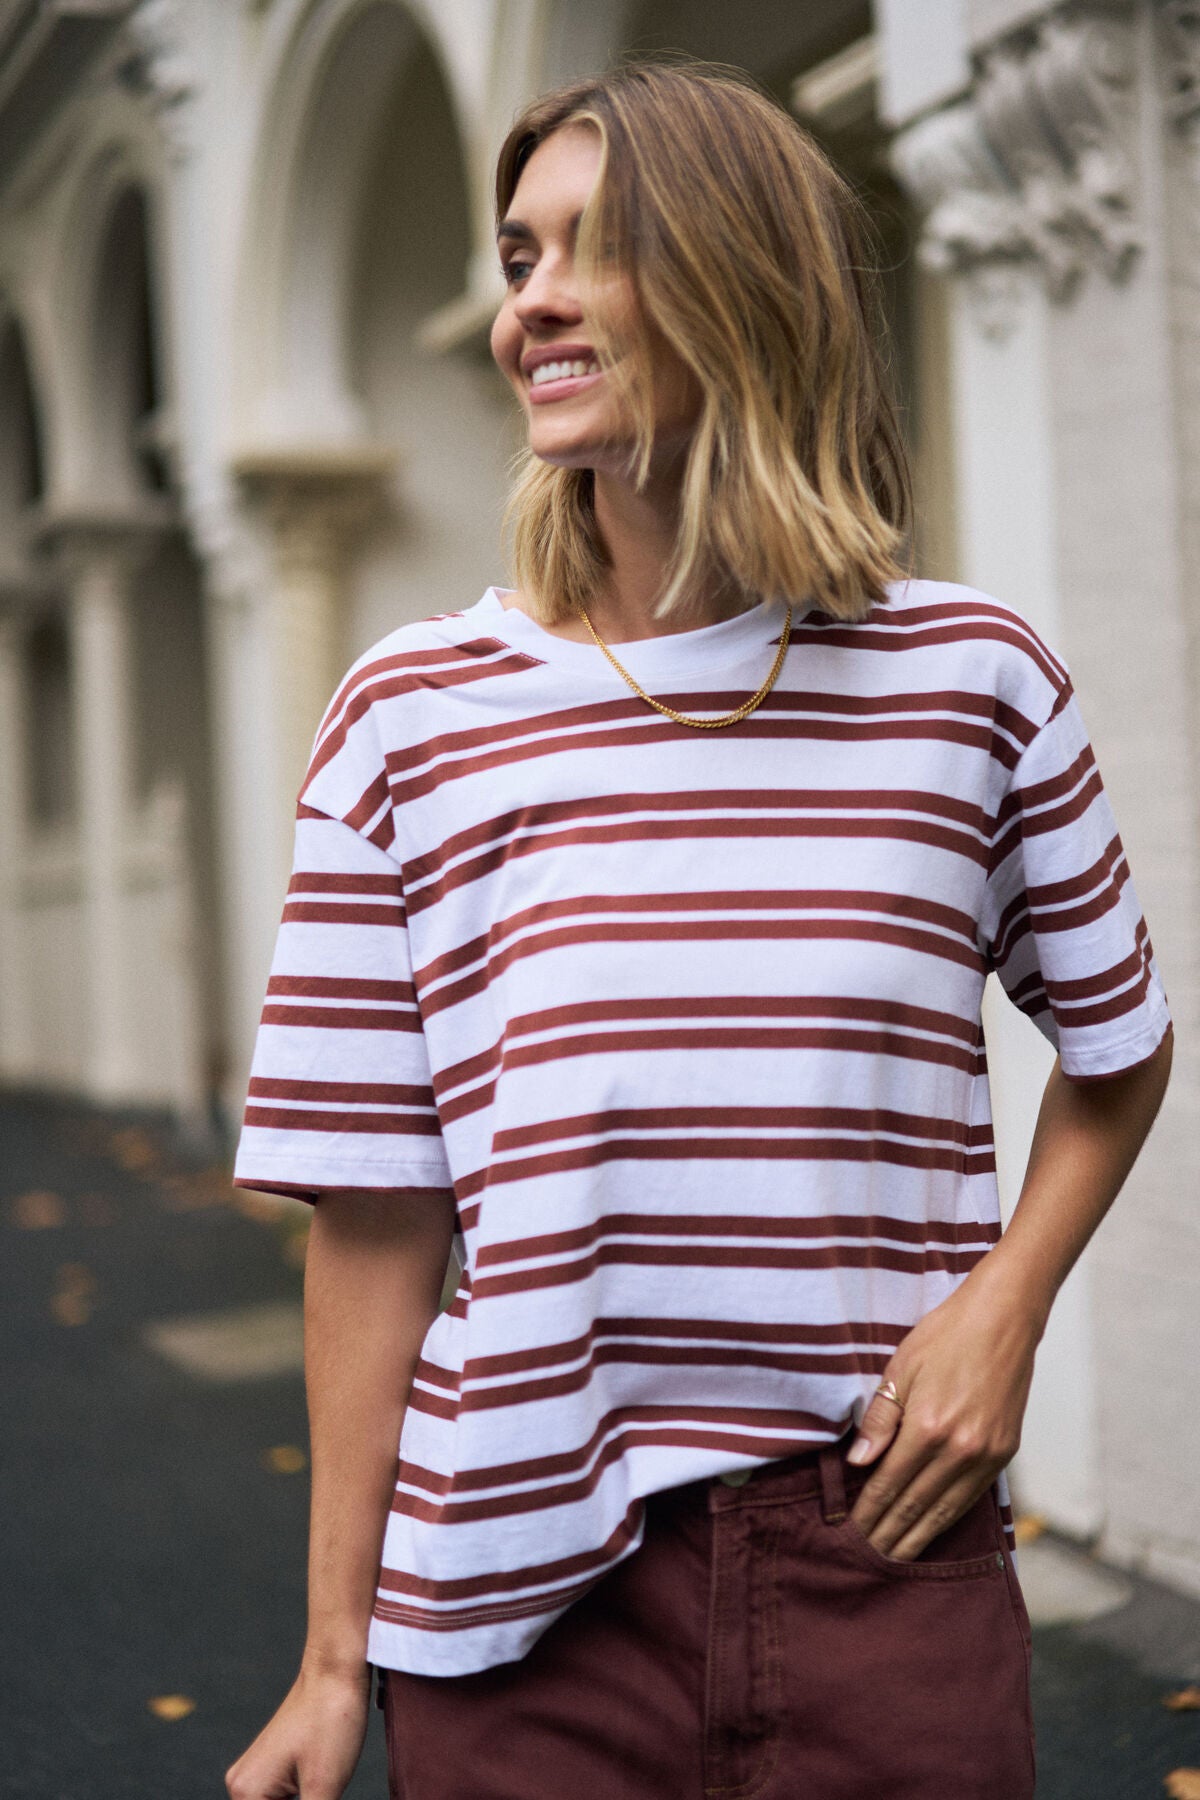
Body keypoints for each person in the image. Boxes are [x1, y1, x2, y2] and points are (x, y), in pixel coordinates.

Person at [224, 57, 1173, 1800]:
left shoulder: (972, 684)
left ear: (748, 278)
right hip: (520, 1608)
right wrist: (332, 1658)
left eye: (598, 247)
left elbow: (1117, 1048)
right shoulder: (408, 716)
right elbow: (376, 1205)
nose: (537, 303)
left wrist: (1007, 1307)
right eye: (520, 258)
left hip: (885, 1560)